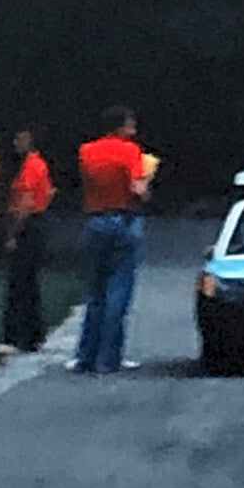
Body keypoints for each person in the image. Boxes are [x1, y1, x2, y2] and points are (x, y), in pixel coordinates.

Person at [70, 105, 155, 374]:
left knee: (95, 291)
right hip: (124, 219)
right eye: (131, 125)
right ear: (121, 127)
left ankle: (86, 356)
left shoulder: (86, 151)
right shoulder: (131, 151)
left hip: (96, 219)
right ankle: (110, 357)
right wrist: (148, 183)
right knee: (118, 290)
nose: (134, 130)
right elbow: (137, 189)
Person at [0, 128, 55, 354]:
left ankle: (14, 336)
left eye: (22, 138)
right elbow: (49, 192)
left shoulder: (31, 166)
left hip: (28, 226)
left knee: (18, 282)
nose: (16, 142)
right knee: (28, 282)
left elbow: (25, 203)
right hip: (37, 224)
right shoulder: (38, 164)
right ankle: (33, 335)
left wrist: (11, 234)